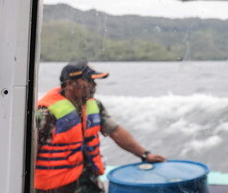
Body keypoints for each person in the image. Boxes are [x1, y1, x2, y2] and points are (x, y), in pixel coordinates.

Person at [34, 62, 166, 193]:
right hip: (54, 187)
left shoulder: (95, 106)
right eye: (89, 81)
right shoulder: (46, 113)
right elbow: (28, 152)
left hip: (88, 178)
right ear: (70, 84)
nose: (94, 85)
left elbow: (115, 131)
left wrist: (145, 154)